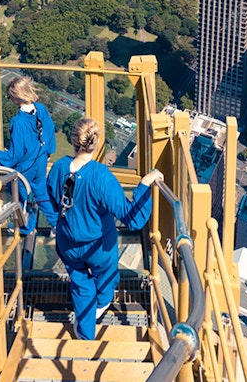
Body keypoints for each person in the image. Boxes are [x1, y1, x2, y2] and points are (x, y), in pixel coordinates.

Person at [47, 117, 163, 340]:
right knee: (106, 281)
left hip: (69, 244)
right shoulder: (100, 176)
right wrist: (145, 184)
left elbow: (51, 200)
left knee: (81, 287)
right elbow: (133, 219)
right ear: (97, 143)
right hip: (99, 246)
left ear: (73, 140)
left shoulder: (59, 168)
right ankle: (99, 306)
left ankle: (85, 335)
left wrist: (60, 223)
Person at [0, 76, 57, 235]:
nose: (9, 99)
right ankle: (57, 224)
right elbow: (50, 133)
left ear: (16, 97)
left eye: (10, 96)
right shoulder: (41, 109)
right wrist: (48, 153)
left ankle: (27, 228)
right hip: (41, 162)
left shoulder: (18, 122)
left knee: (23, 199)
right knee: (42, 194)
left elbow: (12, 157)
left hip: (25, 168)